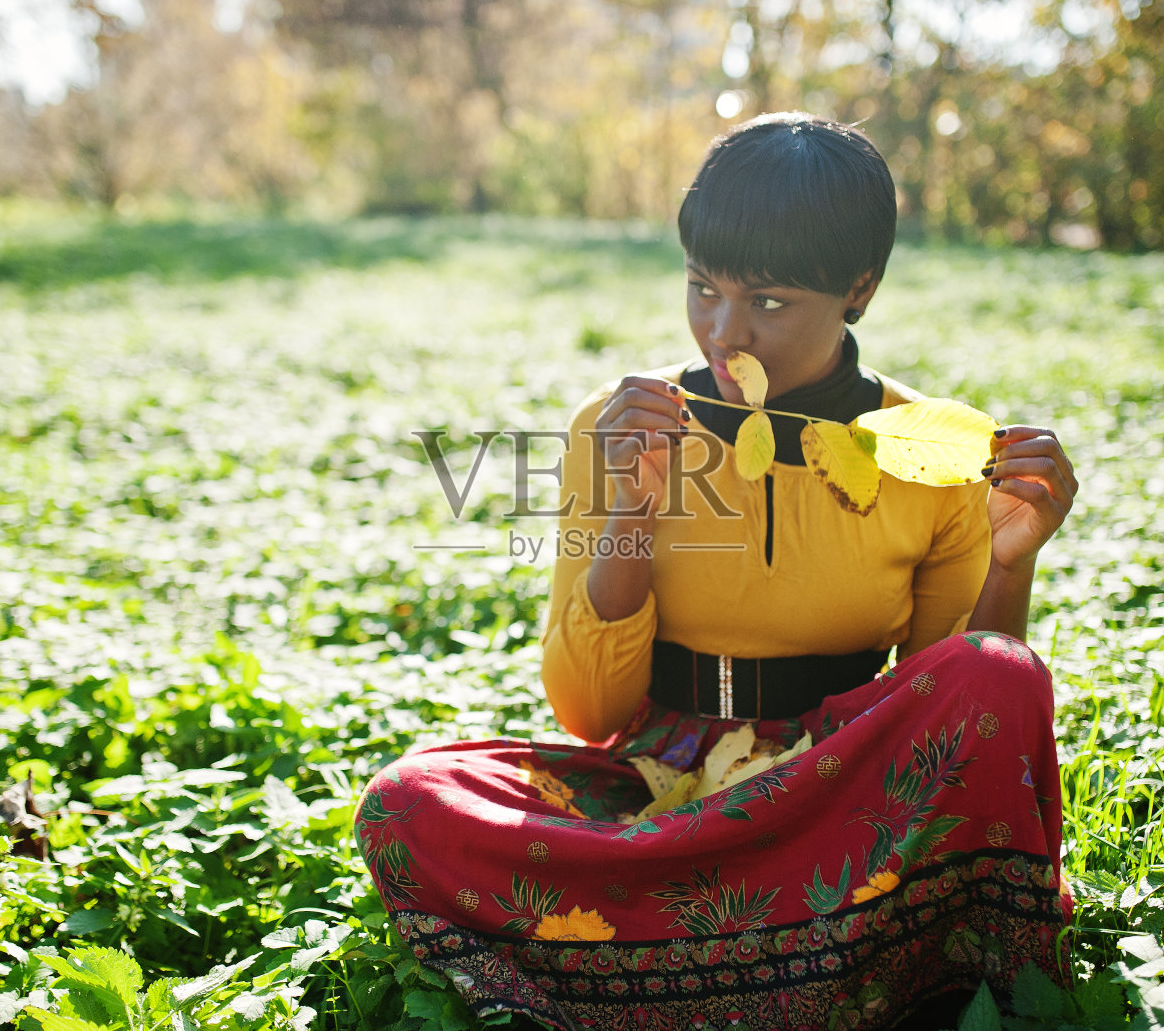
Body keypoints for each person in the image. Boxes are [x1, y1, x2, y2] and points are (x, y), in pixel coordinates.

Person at [356, 112, 1079, 1031]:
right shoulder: (618, 425)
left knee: (1001, 669)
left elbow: (947, 714)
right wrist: (630, 506)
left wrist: (1008, 561)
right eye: (703, 288)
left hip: (835, 788)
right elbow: (589, 713)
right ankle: (823, 954)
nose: (722, 332)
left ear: (858, 288)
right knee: (407, 802)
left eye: (768, 302)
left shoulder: (926, 450)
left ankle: (680, 957)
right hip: (655, 788)